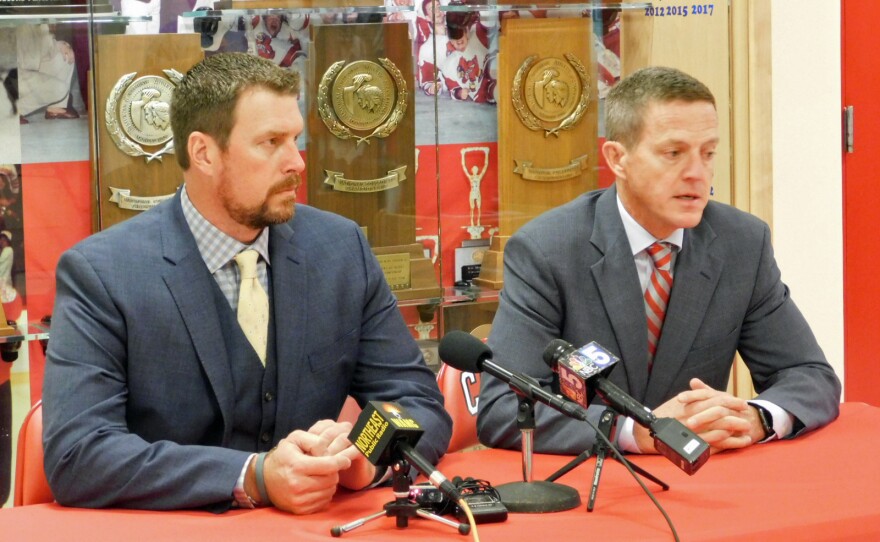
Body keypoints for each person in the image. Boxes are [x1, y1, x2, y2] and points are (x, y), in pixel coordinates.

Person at [42, 52, 452, 513]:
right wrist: (253, 476)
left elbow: (416, 401)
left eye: (295, 139)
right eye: (270, 142)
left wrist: (366, 457)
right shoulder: (103, 274)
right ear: (204, 153)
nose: (296, 162)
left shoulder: (340, 251)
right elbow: (78, 454)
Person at [477, 66, 841, 457]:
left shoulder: (742, 244)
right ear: (618, 159)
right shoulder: (547, 250)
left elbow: (810, 375)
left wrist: (757, 418)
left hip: (704, 483)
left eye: (708, 153)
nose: (697, 174)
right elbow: (503, 408)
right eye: (674, 154)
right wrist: (635, 431)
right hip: (593, 488)